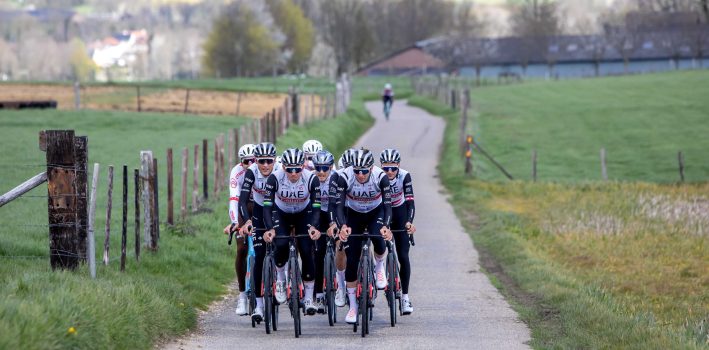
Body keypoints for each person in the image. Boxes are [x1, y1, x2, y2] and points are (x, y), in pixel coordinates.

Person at [262, 148, 322, 315]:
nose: (294, 173)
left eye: (297, 169)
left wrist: (314, 227)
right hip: (281, 214)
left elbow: (316, 208)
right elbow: (267, 207)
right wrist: (269, 229)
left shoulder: (311, 179)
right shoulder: (274, 178)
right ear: (283, 168)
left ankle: (309, 298)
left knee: (306, 249)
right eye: (290, 170)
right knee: (280, 243)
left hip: (304, 213)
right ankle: (280, 280)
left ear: (303, 166)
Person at [335, 149, 392, 324]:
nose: (360, 175)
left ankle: (379, 267)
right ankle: (352, 307)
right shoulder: (345, 176)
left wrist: (386, 226)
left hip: (376, 212)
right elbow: (338, 205)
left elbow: (388, 205)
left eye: (364, 171)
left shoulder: (380, 176)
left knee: (378, 236)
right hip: (354, 213)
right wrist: (342, 226)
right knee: (351, 259)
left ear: (371, 168)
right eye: (357, 171)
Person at [237, 142, 280, 322]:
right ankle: (259, 307)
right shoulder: (251, 172)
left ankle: (285, 281)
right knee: (260, 256)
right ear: (256, 161)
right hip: (259, 211)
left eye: (269, 161)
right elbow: (242, 200)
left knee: (283, 248)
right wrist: (247, 221)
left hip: (279, 210)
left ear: (274, 160)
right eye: (261, 161)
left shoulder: (281, 169)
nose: (265, 165)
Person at [380, 148, 417, 315]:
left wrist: (409, 222)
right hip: (382, 211)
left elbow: (410, 202)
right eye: (385, 168)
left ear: (398, 166)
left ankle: (405, 297)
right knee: (377, 248)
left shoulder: (404, 175)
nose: (389, 172)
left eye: (393, 168)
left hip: (400, 211)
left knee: (403, 255)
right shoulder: (377, 176)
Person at [223, 144, 255, 316]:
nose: (250, 164)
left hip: (260, 206)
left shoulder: (265, 169)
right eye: (246, 161)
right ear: (240, 162)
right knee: (242, 248)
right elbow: (234, 200)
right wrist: (236, 223)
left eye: (253, 160)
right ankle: (242, 296)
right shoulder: (236, 173)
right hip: (243, 208)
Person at [310, 150, 339, 314]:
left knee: (342, 247)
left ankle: (342, 283)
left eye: (325, 168)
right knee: (318, 254)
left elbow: (340, 202)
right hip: (318, 214)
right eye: (318, 168)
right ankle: (319, 294)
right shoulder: (310, 178)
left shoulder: (336, 178)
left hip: (333, 211)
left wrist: (335, 222)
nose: (321, 172)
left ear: (331, 167)